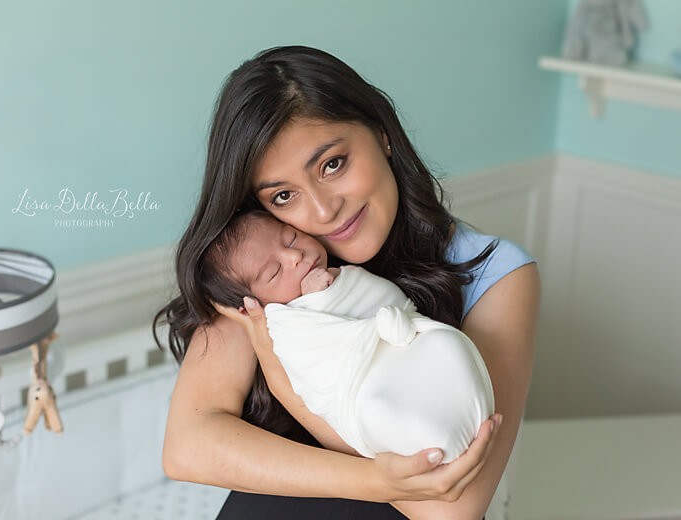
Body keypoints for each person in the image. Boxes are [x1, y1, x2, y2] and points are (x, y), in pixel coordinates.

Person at [154, 45, 540, 520]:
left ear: (382, 134)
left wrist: (289, 390)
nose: (321, 211)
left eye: (332, 164)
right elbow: (188, 446)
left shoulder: (496, 273)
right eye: (283, 195)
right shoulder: (266, 267)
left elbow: (451, 509)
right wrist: (374, 478)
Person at [201, 210, 495, 464]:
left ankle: (461, 412)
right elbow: (314, 372)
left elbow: (387, 299)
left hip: (402, 342)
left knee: (446, 345)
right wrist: (323, 298)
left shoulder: (340, 267)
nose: (295, 256)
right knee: (379, 409)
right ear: (252, 305)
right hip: (360, 383)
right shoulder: (285, 324)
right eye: (274, 272)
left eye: (290, 238)